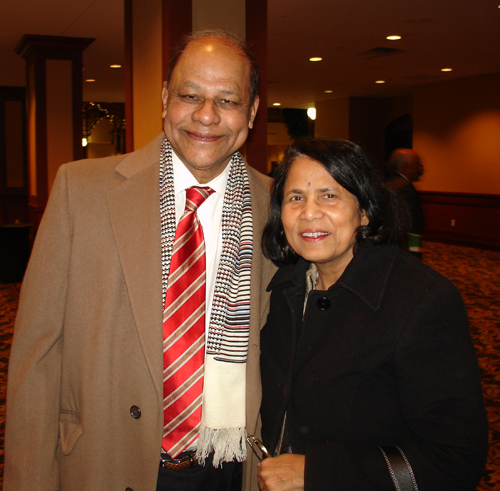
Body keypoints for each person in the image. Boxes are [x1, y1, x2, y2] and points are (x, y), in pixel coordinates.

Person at [4, 30, 275, 491]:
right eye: (191, 95)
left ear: (250, 112)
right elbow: (37, 355)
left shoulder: (277, 204)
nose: (206, 116)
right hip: (104, 458)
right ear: (166, 98)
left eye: (227, 101)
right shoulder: (81, 190)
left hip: (229, 466)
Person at [258, 138, 488, 490]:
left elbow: (455, 459)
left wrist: (321, 473)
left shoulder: (422, 301)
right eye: (295, 198)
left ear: (364, 211)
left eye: (329, 195)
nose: (309, 212)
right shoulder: (283, 290)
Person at [386, 148, 424, 235]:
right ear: (406, 166)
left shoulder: (387, 182)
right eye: (417, 164)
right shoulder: (405, 187)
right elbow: (412, 221)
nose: (420, 168)